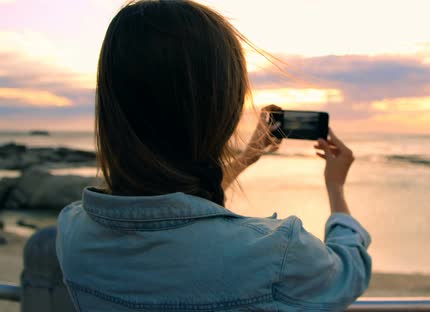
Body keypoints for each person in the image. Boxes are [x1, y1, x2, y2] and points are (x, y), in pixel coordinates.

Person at [56, 0, 371, 311]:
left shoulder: (73, 232)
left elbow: (166, 206)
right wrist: (336, 187)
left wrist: (247, 156)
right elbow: (349, 272)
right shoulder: (275, 254)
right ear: (222, 109)